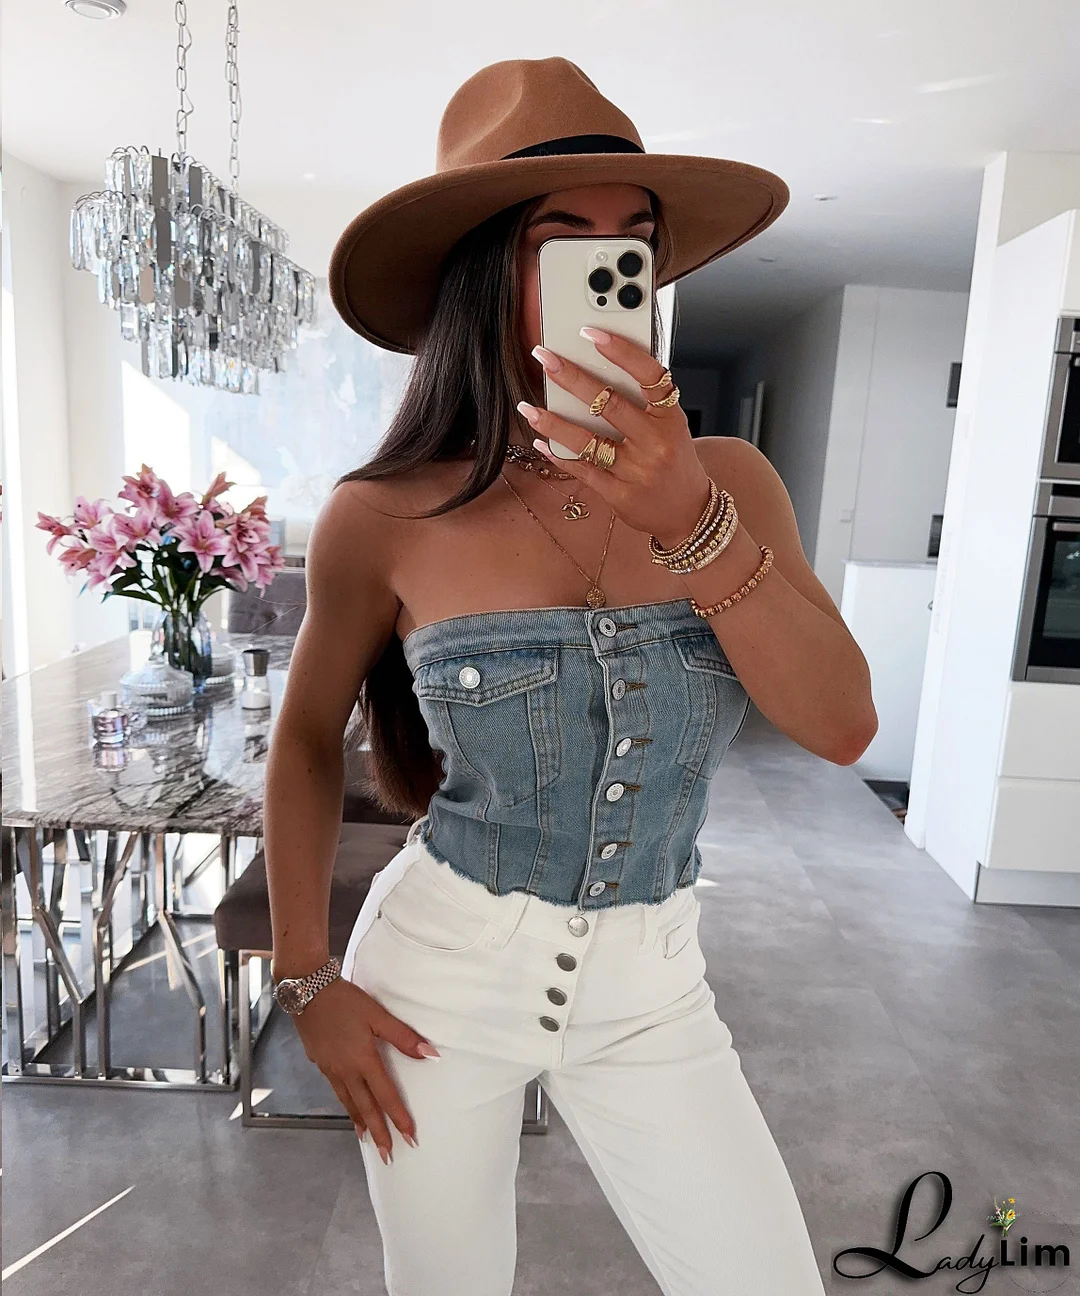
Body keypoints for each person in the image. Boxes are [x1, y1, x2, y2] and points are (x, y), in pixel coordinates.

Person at [265, 56, 877, 1296]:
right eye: (564, 243)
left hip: (654, 991)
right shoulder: (383, 515)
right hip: (435, 982)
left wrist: (693, 522)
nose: (611, 269)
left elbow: (844, 725)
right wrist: (306, 976)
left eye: (632, 242)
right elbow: (306, 739)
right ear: (486, 273)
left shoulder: (731, 482)